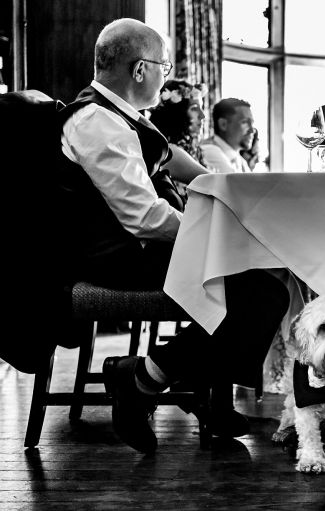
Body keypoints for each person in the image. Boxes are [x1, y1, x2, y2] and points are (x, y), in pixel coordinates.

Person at [57, 18, 289, 453]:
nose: (165, 78)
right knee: (263, 291)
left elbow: (170, 155)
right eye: (162, 66)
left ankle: (176, 386)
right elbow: (143, 217)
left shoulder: (123, 115)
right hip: (114, 256)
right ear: (140, 69)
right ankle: (143, 379)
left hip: (138, 246)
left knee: (264, 279)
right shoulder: (95, 121)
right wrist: (217, 235)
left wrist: (221, 189)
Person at [149, 79, 211, 201]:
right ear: (177, 113)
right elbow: (215, 182)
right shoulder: (170, 152)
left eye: (201, 107)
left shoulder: (194, 149)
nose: (202, 115)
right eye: (194, 108)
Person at [200, 98, 258, 173]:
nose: (252, 130)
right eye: (245, 122)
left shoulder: (240, 160)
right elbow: (239, 184)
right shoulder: (209, 151)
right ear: (223, 124)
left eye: (252, 123)